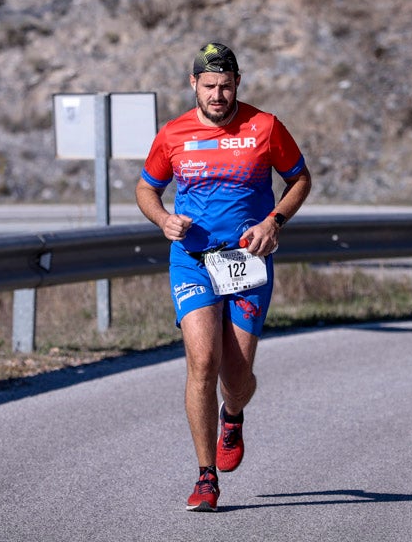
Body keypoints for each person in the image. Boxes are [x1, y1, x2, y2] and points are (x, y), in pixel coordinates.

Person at [135, 42, 312, 511]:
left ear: (238, 84)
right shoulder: (173, 134)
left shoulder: (265, 126)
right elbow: (146, 187)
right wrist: (162, 219)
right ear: (193, 83)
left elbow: (300, 179)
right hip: (192, 260)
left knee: (236, 377)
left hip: (246, 261)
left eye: (227, 86)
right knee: (202, 362)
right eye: (210, 86)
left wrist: (274, 221)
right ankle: (206, 477)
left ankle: (232, 414)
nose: (218, 95)